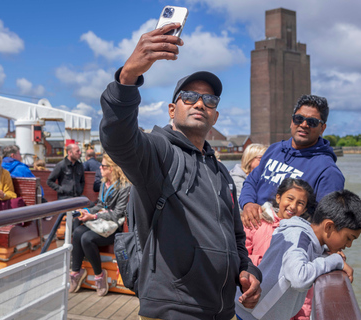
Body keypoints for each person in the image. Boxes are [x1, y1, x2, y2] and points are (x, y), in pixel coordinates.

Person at [100, 23, 261, 320]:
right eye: (189, 96)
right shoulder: (158, 152)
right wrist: (128, 77)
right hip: (174, 308)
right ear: (172, 110)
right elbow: (118, 138)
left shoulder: (222, 173)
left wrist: (246, 269)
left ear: (215, 115)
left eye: (210, 100)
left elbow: (236, 236)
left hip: (222, 309)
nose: (200, 103)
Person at [235, 189, 361, 320]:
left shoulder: (309, 239)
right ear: (328, 226)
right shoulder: (298, 237)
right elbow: (299, 278)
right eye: (348, 238)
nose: (349, 245)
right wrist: (336, 260)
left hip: (259, 312)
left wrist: (325, 253)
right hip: (254, 313)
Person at [239, 95, 345, 230]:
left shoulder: (328, 171)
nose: (303, 125)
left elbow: (325, 222)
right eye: (299, 119)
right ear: (291, 121)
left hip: (285, 242)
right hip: (251, 231)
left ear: (322, 128)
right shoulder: (274, 149)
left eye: (312, 122)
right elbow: (251, 181)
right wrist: (248, 204)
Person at [243, 178, 316, 320]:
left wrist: (302, 317)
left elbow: (305, 288)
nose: (293, 206)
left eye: (300, 203)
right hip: (248, 303)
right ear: (278, 198)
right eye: (290, 198)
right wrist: (262, 261)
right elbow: (240, 256)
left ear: (305, 209)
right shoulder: (255, 221)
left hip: (281, 312)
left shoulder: (304, 238)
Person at [69, 154, 131, 297]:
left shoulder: (124, 187)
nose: (100, 168)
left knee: (86, 238)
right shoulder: (104, 184)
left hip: (114, 228)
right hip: (102, 224)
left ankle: (99, 275)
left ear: (113, 168)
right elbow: (100, 205)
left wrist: (94, 216)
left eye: (103, 166)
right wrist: (86, 211)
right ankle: (76, 271)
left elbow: (117, 214)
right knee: (78, 231)